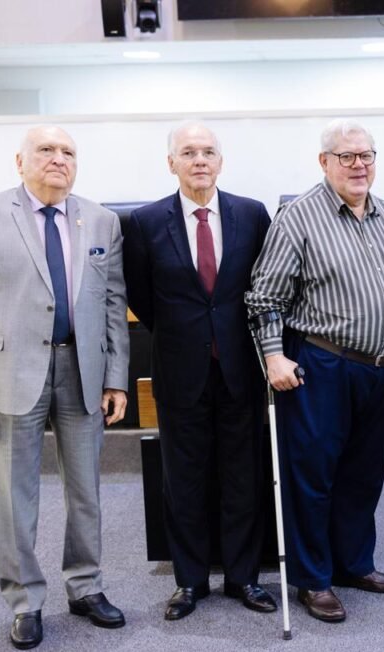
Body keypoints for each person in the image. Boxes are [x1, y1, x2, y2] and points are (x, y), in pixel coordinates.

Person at [0, 125, 130, 649]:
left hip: (83, 372)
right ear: (19, 161)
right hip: (10, 374)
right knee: (14, 495)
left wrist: (117, 375)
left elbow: (113, 304)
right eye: (46, 150)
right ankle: (25, 600)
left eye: (68, 151)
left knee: (86, 491)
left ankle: (86, 585)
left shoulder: (101, 219)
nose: (58, 159)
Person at [245, 119, 384, 623]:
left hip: (378, 369)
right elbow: (263, 297)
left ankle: (354, 564)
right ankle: (313, 579)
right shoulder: (297, 218)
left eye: (367, 155)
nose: (359, 165)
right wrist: (273, 355)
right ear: (324, 162)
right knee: (313, 477)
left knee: (363, 476)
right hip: (321, 364)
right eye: (347, 156)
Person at [123, 121, 277, 621]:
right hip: (179, 368)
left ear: (221, 160)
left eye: (208, 151)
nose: (199, 160)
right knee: (183, 480)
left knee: (243, 477)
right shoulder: (145, 222)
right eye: (188, 152)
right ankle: (189, 582)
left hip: (240, 368)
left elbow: (265, 285)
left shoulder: (251, 215)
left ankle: (243, 577)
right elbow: (141, 297)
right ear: (171, 163)